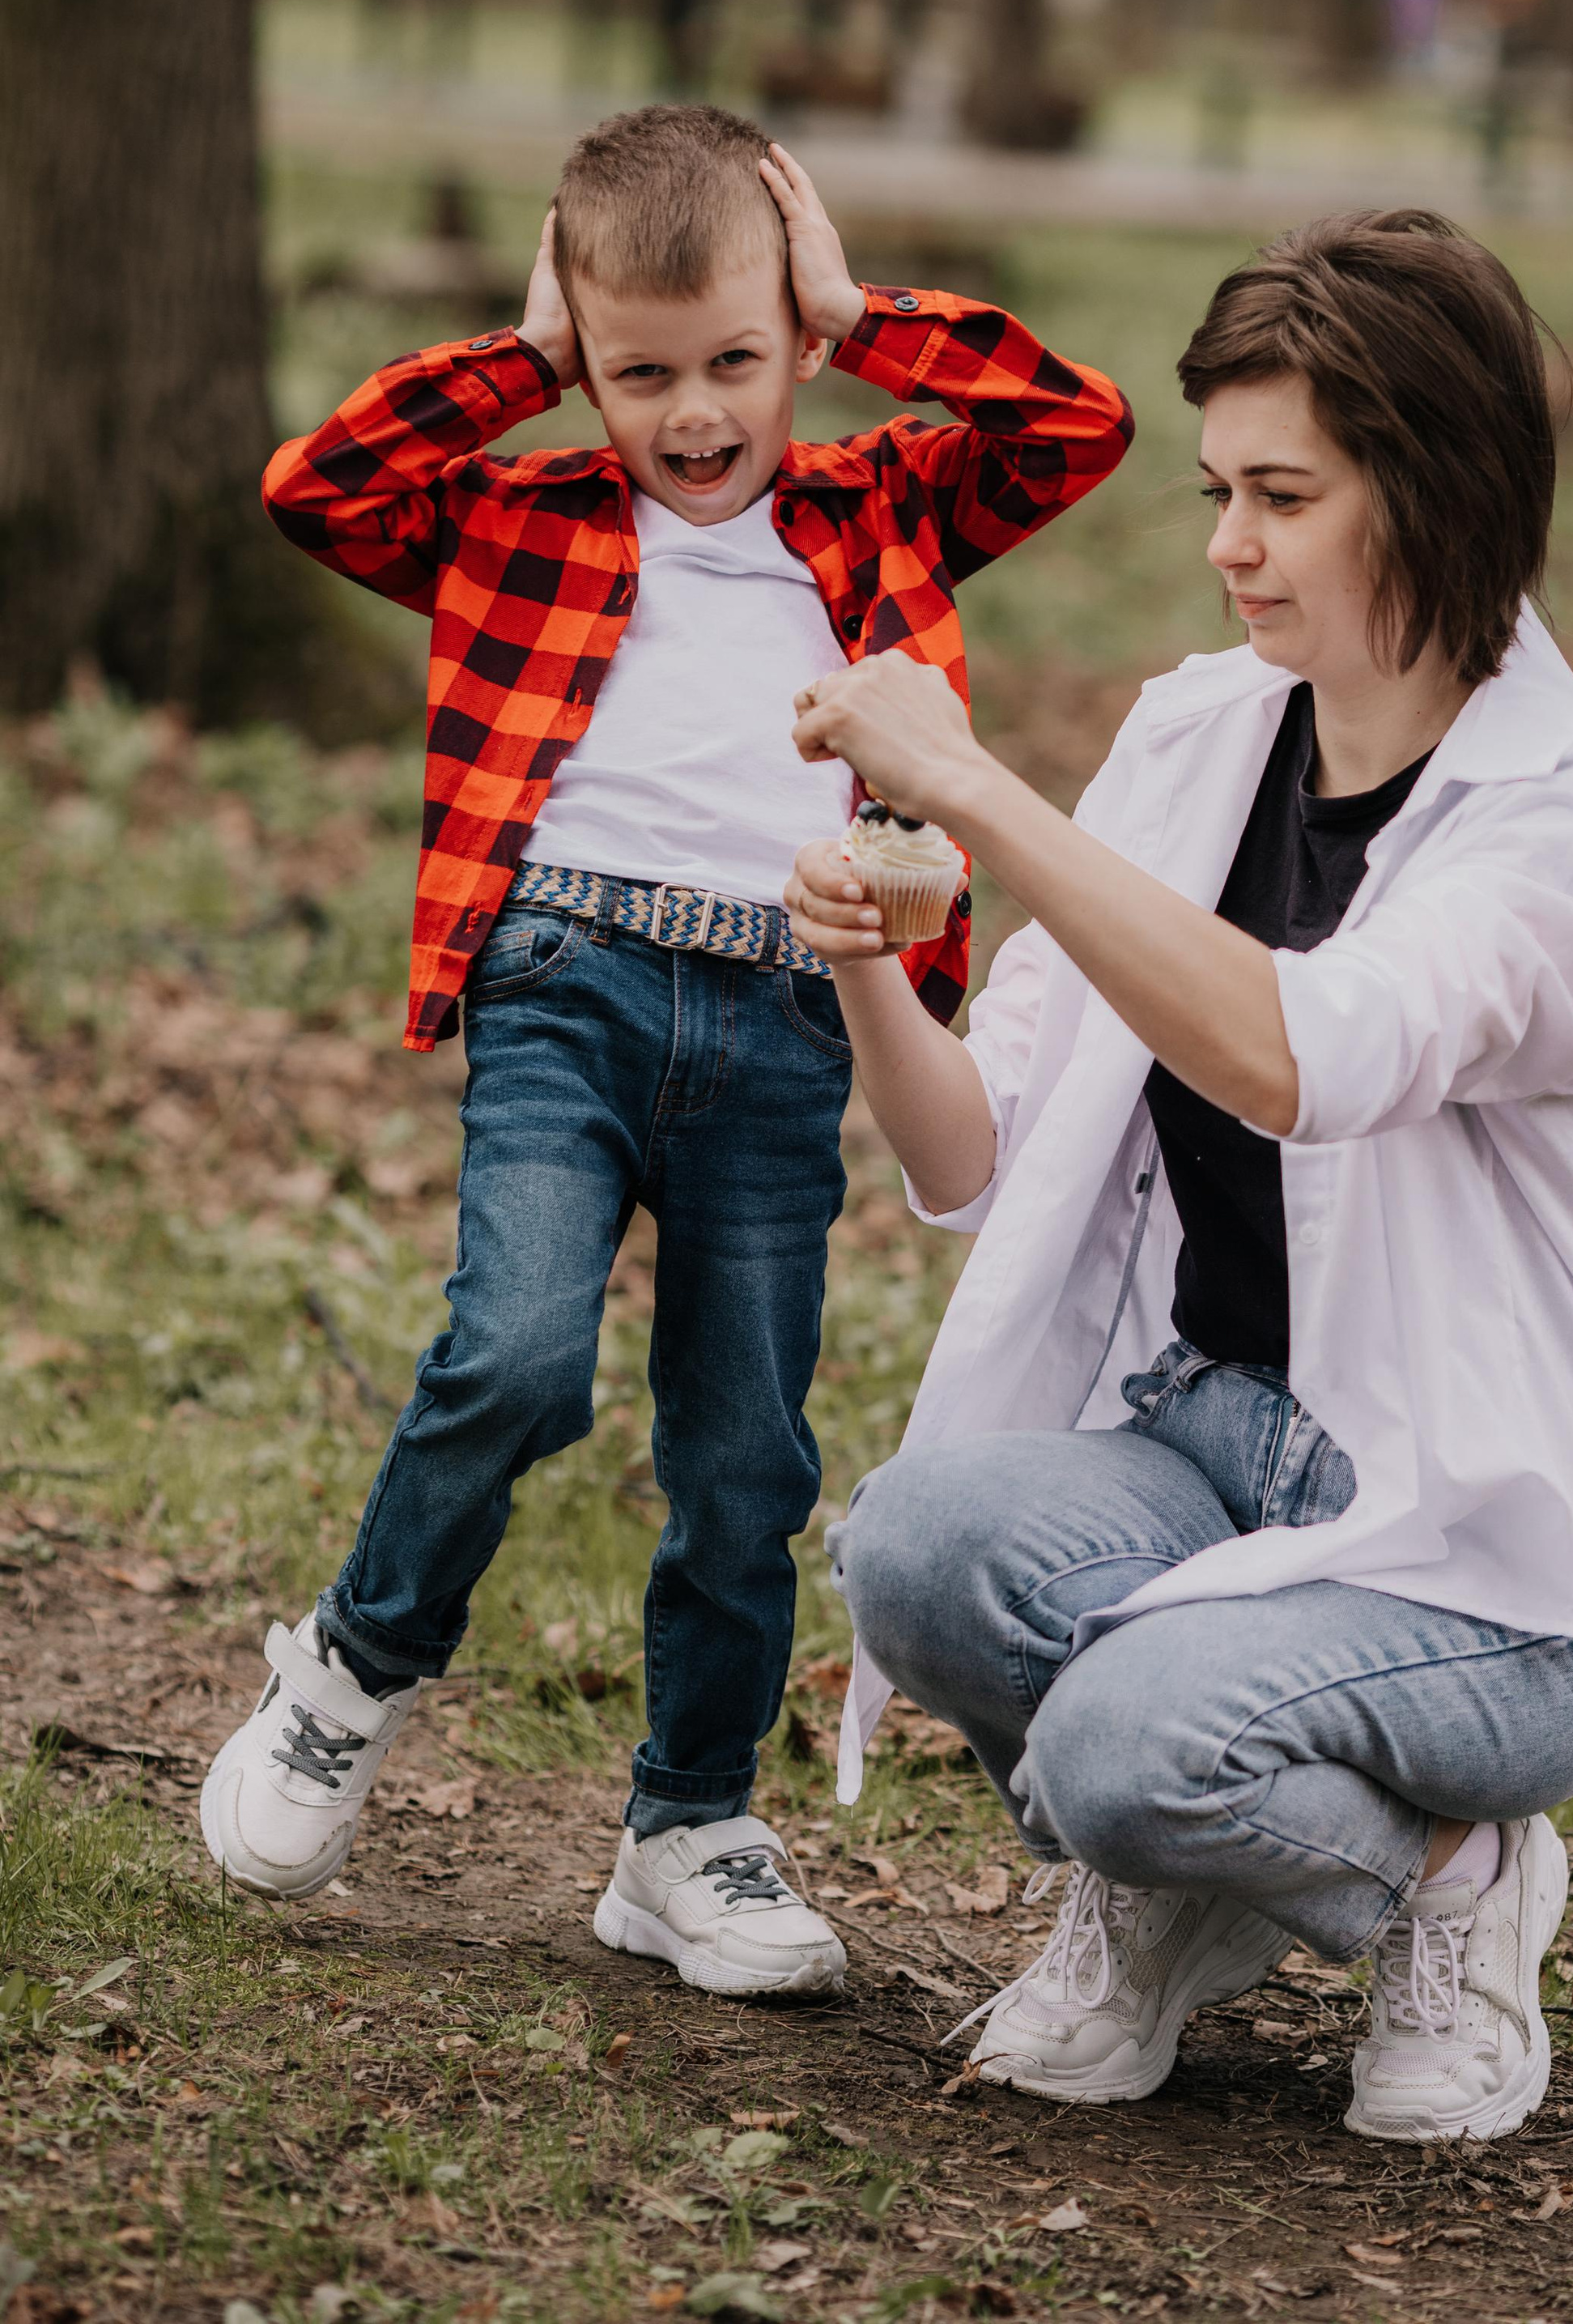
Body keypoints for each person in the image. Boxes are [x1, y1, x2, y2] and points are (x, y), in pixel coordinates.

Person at [198, 105, 1133, 1999]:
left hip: (791, 1016)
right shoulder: (515, 513)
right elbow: (316, 490)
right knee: (516, 1349)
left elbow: (1076, 427)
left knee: (743, 1453)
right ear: (588, 360)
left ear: (791, 340)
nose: (692, 412)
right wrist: (523, 363)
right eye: (637, 375)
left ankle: (689, 1825)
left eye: (734, 360)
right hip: (565, 985)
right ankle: (354, 1667)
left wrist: (863, 305)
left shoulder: (877, 504)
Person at [783, 210, 1573, 2139]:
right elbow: (976, 1155)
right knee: (914, 1547)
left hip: (1477, 1559)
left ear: (1427, 497)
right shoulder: (1203, 736)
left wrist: (976, 793)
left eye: (1282, 495)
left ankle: (1445, 1879)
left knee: (1121, 1745)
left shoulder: (1565, 820)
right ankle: (1203, 1857)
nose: (1226, 545)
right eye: (1216, 490)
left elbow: (1300, 1054)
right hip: (1206, 1448)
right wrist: (867, 956)